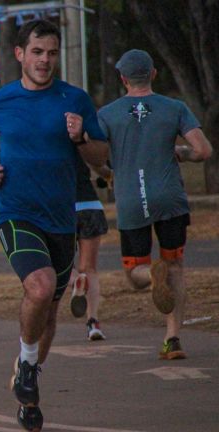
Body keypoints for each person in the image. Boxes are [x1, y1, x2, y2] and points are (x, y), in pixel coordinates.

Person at [0, 19, 108, 431]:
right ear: (20, 55)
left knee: (50, 310)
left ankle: (28, 387)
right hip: (15, 212)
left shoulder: (75, 99)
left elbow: (99, 158)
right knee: (40, 287)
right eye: (37, 52)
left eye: (51, 53)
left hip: (61, 218)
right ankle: (27, 369)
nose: (45, 60)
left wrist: (82, 139)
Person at [98, 49, 212, 360]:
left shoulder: (106, 114)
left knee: (135, 273)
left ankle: (152, 275)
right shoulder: (174, 107)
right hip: (170, 198)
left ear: (123, 79)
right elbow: (203, 150)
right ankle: (173, 339)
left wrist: (106, 172)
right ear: (154, 74)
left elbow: (95, 155)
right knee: (176, 266)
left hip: (133, 199)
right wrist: (180, 152)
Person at [68, 154, 110, 341]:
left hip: (63, 208)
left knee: (59, 265)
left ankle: (77, 280)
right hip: (90, 205)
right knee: (90, 267)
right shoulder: (80, 139)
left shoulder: (47, 140)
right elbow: (98, 163)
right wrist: (108, 175)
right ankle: (93, 323)